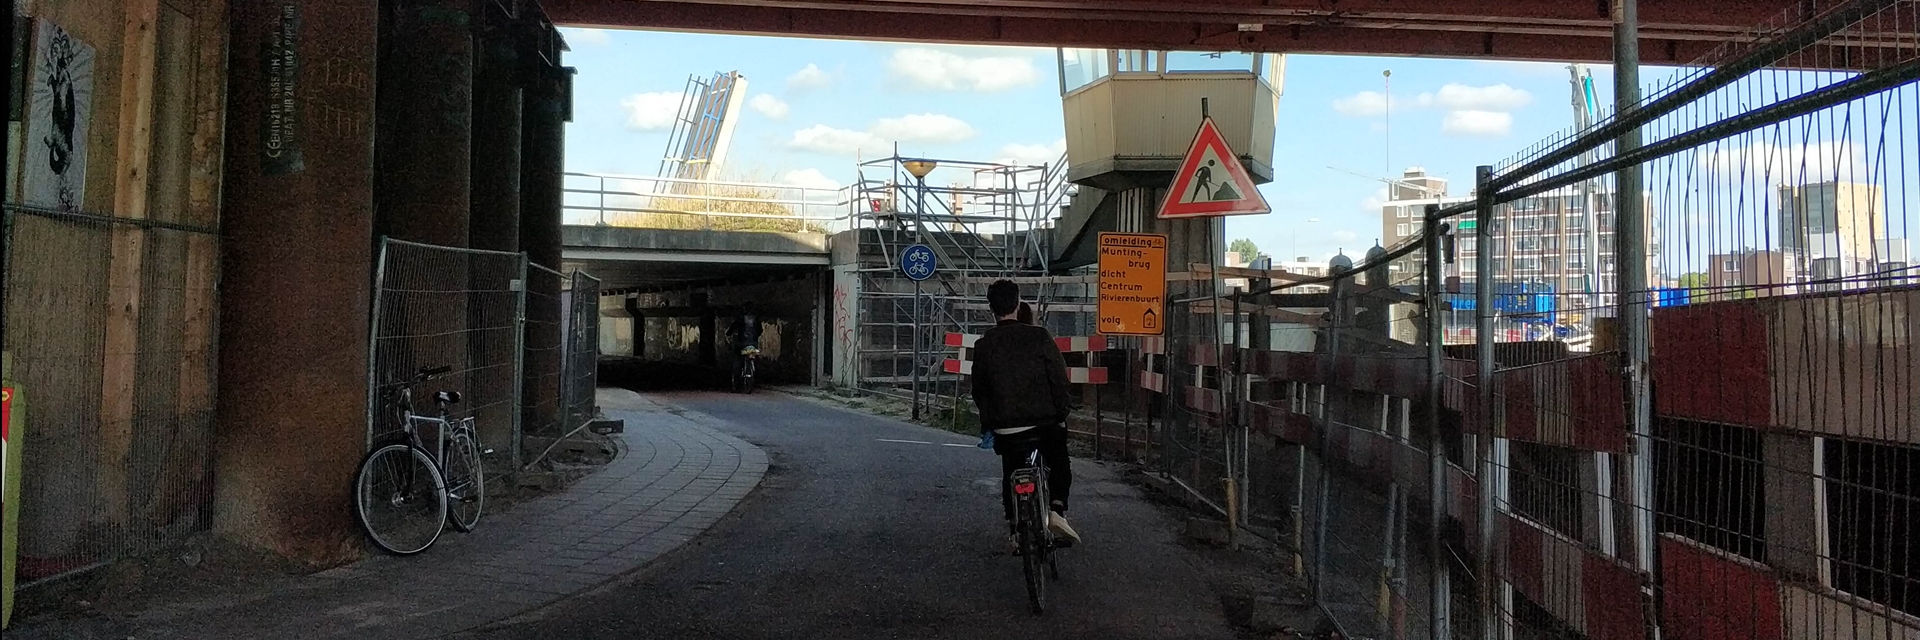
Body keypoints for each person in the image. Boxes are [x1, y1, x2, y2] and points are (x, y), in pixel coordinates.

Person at [970, 280, 1081, 551]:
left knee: (1012, 468)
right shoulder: (1040, 336)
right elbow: (1058, 378)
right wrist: (1061, 411)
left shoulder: (984, 345)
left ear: (991, 308)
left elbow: (979, 391)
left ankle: (1015, 528)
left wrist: (990, 423)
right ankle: (1056, 509)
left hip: (1005, 428)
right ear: (1018, 304)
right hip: (1044, 422)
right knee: (1059, 461)